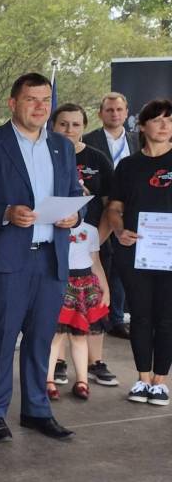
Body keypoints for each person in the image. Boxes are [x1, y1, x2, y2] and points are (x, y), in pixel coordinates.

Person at [0, 73, 84, 442]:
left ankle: (36, 410)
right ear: (13, 103)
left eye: (45, 100)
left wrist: (75, 216)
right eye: (31, 99)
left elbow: (75, 196)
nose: (40, 107)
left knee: (41, 337)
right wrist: (5, 212)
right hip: (7, 258)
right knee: (2, 336)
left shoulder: (61, 146)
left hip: (51, 258)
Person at [106, 98, 172, 407]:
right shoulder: (128, 166)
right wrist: (119, 231)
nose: (164, 125)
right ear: (142, 126)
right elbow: (114, 208)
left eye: (169, 120)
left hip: (169, 255)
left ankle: (160, 382)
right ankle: (143, 378)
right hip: (136, 252)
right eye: (157, 120)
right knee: (141, 316)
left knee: (167, 317)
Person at [50, 104, 118, 388]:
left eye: (75, 124)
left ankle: (95, 362)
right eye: (63, 124)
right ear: (53, 126)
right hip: (55, 243)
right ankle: (59, 363)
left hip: (92, 241)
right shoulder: (47, 154)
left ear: (84, 127)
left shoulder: (97, 158)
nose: (69, 129)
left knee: (95, 304)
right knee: (60, 308)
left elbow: (111, 204)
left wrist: (94, 241)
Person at [84, 92, 137, 340]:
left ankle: (117, 318)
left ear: (126, 113)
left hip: (131, 210)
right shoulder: (88, 141)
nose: (114, 114)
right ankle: (99, 318)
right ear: (100, 113)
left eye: (119, 109)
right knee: (103, 262)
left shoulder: (139, 140)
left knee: (124, 264)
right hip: (101, 211)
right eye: (109, 110)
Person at [45, 220, 109, 401]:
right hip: (60, 283)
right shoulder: (52, 227)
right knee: (56, 336)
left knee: (79, 336)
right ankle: (48, 380)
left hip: (84, 286)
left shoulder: (91, 230)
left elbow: (95, 262)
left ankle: (82, 381)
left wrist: (105, 288)